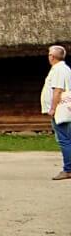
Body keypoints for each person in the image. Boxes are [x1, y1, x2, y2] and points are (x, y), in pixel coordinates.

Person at [44, 44, 71, 180]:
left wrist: (53, 108)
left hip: (60, 110)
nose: (48, 56)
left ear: (52, 57)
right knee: (67, 138)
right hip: (63, 109)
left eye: (49, 54)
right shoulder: (63, 69)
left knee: (64, 139)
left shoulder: (59, 70)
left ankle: (68, 169)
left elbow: (58, 90)